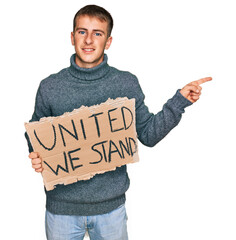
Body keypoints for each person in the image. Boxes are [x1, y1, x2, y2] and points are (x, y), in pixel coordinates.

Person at [26, 4, 212, 240]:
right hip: (61, 210)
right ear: (72, 37)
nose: (89, 40)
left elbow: (148, 134)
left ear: (109, 41)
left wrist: (179, 102)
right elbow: (36, 135)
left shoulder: (126, 83)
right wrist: (36, 154)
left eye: (98, 33)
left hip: (110, 211)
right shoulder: (49, 86)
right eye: (82, 32)